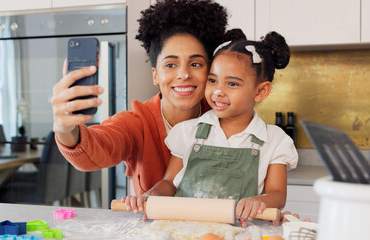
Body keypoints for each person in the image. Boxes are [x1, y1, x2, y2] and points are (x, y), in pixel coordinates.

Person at [122, 30, 298, 228]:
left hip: (239, 233)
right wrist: (150, 196)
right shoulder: (187, 132)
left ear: (260, 91)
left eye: (232, 83)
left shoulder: (274, 140)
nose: (218, 91)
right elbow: (169, 183)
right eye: (213, 80)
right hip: (183, 231)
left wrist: (260, 201)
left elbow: (277, 194)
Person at [51, 0, 228, 196]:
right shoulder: (137, 123)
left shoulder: (225, 116)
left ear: (209, 72)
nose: (184, 74)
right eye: (170, 65)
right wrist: (65, 130)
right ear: (155, 75)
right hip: (154, 227)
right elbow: (96, 149)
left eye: (195, 64)